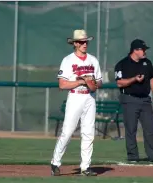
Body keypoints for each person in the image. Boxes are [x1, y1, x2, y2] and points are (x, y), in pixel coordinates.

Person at [50, 29, 102, 176]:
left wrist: (92, 83)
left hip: (89, 98)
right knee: (67, 132)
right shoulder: (68, 60)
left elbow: (99, 82)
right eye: (81, 42)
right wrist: (82, 80)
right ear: (75, 44)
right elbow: (62, 85)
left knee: (88, 133)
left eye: (86, 41)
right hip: (75, 97)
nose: (84, 44)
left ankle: (85, 167)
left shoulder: (93, 60)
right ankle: (55, 162)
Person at [114, 39, 153, 164]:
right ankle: (133, 157)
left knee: (150, 129)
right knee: (131, 129)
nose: (145, 52)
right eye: (143, 49)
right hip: (129, 99)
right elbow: (119, 83)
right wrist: (134, 79)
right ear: (135, 50)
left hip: (145, 100)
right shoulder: (122, 64)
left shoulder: (147, 63)